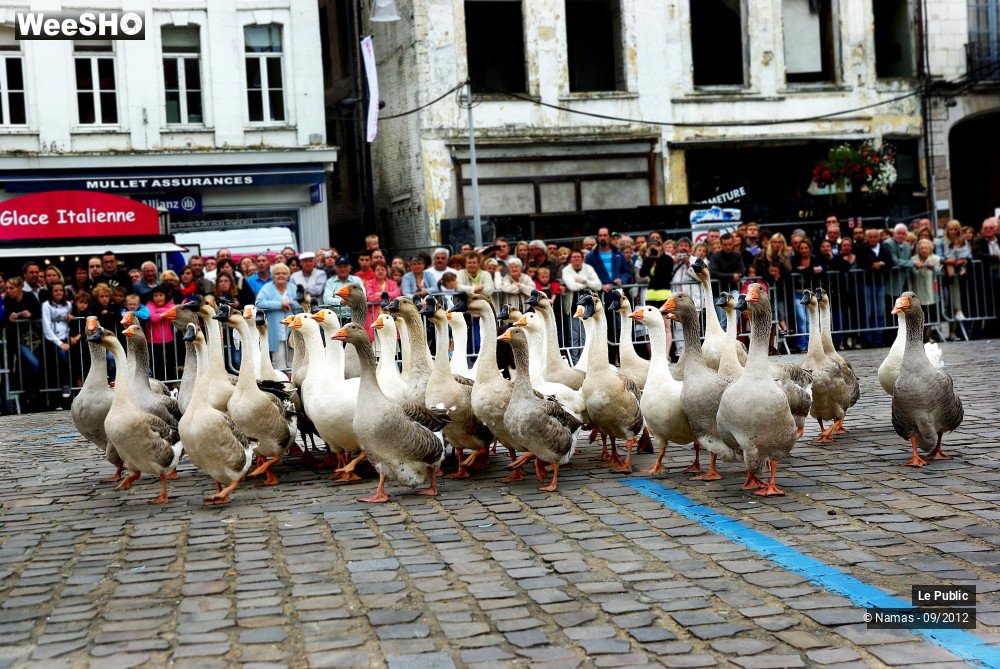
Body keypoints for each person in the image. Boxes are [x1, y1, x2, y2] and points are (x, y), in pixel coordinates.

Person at [255, 263, 302, 369]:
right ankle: (283, 383)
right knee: (279, 361)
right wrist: (280, 304)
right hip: (276, 330)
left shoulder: (293, 287)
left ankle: (294, 382)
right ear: (273, 276)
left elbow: (302, 302)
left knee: (293, 360)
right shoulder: (267, 288)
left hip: (292, 330)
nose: (281, 275)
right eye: (277, 273)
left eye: (284, 273)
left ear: (288, 275)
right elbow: (258, 303)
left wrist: (290, 302)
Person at [561, 249, 602, 364]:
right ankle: (575, 362)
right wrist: (587, 283)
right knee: (574, 337)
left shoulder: (589, 269)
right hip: (573, 307)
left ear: (582, 258)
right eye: (574, 257)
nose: (576, 259)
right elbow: (572, 286)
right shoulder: (566, 270)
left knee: (585, 336)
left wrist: (583, 281)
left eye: (578, 257)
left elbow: (598, 285)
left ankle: (586, 361)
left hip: (589, 308)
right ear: (570, 259)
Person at [856, 228, 894, 347]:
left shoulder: (884, 248)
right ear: (867, 238)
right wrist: (873, 264)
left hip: (880, 284)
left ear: (878, 237)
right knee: (867, 312)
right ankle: (867, 340)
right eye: (870, 237)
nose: (872, 239)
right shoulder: (862, 248)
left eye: (875, 236)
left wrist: (880, 264)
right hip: (866, 284)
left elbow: (890, 262)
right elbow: (862, 262)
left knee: (879, 312)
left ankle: (878, 339)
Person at [41, 282, 74, 398]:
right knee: (53, 365)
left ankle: (67, 386)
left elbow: (71, 320)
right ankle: (55, 396)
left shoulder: (68, 305)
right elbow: (46, 327)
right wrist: (60, 343)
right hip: (52, 340)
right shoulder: (46, 305)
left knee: (68, 362)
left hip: (66, 337)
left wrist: (71, 318)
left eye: (61, 290)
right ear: (51, 292)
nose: (59, 292)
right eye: (56, 290)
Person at [938, 219, 971, 328]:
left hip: (958, 269)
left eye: (955, 229)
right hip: (945, 273)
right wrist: (946, 261)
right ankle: (957, 313)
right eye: (950, 229)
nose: (952, 231)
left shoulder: (962, 241)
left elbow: (968, 255)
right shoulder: (942, 241)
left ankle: (954, 328)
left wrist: (964, 260)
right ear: (947, 230)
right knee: (948, 299)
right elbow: (939, 257)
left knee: (956, 294)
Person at [708, 232, 744, 329]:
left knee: (737, 306)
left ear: (733, 243)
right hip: (718, 292)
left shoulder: (737, 255)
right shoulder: (715, 256)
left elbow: (742, 271)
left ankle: (731, 332)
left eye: (730, 244)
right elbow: (713, 272)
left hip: (732, 289)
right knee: (723, 320)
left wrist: (726, 276)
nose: (728, 247)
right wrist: (731, 276)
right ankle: (724, 340)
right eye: (725, 245)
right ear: (721, 244)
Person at [910, 239, 941, 341]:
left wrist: (934, 268)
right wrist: (916, 265)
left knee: (930, 315)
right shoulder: (913, 259)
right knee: (918, 316)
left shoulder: (935, 258)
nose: (923, 250)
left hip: (931, 291)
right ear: (918, 249)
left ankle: (929, 336)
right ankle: (919, 337)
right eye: (921, 248)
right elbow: (911, 273)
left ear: (930, 249)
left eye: (926, 248)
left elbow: (940, 272)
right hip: (917, 291)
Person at [145, 284, 177, 381]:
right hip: (153, 342)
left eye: (160, 295)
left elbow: (175, 313)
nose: (158, 298)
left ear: (165, 296)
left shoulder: (170, 304)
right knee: (156, 366)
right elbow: (152, 318)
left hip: (168, 341)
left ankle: (170, 385)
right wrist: (166, 313)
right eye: (155, 295)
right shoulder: (149, 305)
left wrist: (159, 311)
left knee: (169, 365)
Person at [363, 260, 401, 340]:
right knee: (376, 345)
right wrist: (386, 295)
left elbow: (397, 294)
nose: (380, 271)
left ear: (386, 271)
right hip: (374, 316)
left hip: (390, 316)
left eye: (383, 270)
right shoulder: (369, 283)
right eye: (378, 270)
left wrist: (382, 294)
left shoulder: (392, 283)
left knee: (392, 340)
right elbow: (370, 297)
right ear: (374, 271)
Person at [321, 256, 364, 322]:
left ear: (350, 267)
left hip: (355, 318)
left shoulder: (357, 280)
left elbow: (363, 296)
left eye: (345, 266)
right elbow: (326, 299)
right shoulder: (330, 282)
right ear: (335, 268)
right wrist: (341, 301)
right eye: (340, 267)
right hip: (336, 319)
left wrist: (349, 301)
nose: (343, 269)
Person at [883, 223, 913, 297]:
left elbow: (908, 259)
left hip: (904, 280)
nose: (901, 235)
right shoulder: (888, 243)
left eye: (903, 234)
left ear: (906, 235)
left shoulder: (907, 245)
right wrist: (913, 263)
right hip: (891, 282)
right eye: (898, 233)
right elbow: (895, 261)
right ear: (893, 233)